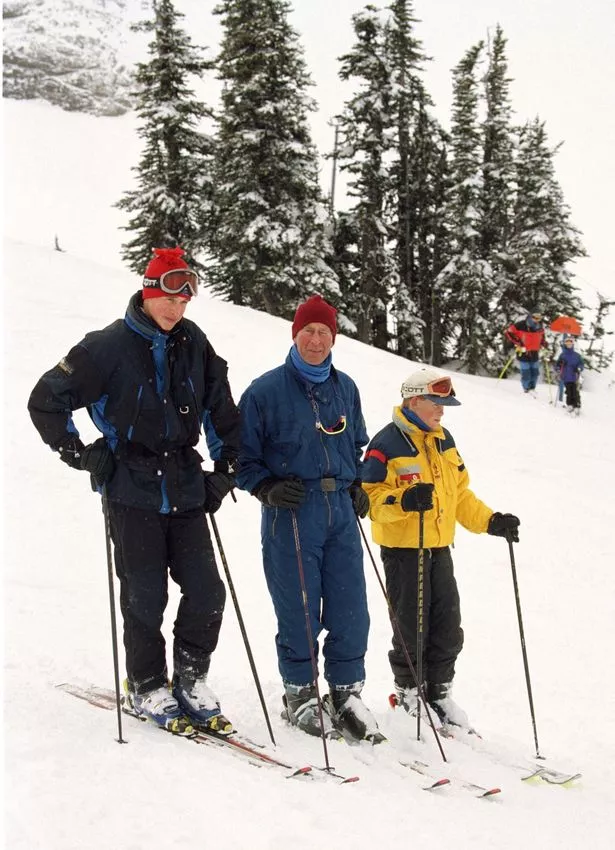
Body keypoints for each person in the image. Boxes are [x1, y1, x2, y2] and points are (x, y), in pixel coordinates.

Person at [28, 247, 240, 734]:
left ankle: (190, 678)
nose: (176, 308)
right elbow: (44, 400)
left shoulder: (194, 343)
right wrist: (78, 452)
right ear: (148, 291)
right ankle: (146, 684)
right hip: (130, 487)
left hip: (185, 486)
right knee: (145, 596)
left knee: (207, 591)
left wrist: (225, 467)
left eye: (185, 299)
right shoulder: (106, 346)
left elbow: (220, 408)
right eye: (168, 295)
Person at [235, 294, 382, 743]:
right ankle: (299, 693)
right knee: (298, 605)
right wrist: (265, 487)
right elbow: (241, 458)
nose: (316, 340)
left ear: (333, 337)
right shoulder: (264, 391)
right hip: (292, 510)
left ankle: (345, 692)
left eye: (323, 332)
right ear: (294, 334)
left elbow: (354, 444)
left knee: (350, 605)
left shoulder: (346, 388)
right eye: (308, 332)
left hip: (339, 510)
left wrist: (357, 483)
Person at [361, 367, 520, 729]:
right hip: (404, 551)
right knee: (411, 626)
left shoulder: (443, 439)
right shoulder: (386, 444)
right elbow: (368, 499)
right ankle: (408, 695)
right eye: (437, 403)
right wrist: (404, 500)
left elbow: (459, 494)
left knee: (448, 626)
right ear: (415, 400)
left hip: (439, 548)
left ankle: (439, 693)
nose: (443, 411)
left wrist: (491, 521)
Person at [504, 309, 548, 393]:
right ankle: (526, 389)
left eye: (539, 318)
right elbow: (509, 332)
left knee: (535, 373)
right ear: (531, 316)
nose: (537, 319)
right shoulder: (521, 325)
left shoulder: (539, 327)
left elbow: (542, 337)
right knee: (526, 373)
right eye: (535, 317)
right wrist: (518, 341)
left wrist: (543, 343)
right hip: (523, 352)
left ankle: (532, 388)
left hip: (534, 352)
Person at [555, 337, 584, 411]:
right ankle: (570, 404)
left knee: (575, 392)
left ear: (572, 344)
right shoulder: (562, 355)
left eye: (570, 343)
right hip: (566, 376)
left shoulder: (577, 355)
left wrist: (579, 368)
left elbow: (581, 364)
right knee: (569, 392)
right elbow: (558, 365)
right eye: (567, 343)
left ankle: (577, 405)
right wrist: (559, 367)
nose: (569, 344)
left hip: (574, 376)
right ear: (565, 344)